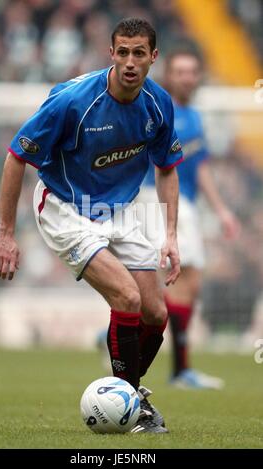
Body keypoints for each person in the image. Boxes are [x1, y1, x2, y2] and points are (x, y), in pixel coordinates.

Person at [0, 18, 183, 434]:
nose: (130, 62)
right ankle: (132, 407)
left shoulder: (159, 103)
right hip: (67, 207)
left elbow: (167, 168)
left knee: (155, 312)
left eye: (139, 53)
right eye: (123, 52)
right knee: (127, 298)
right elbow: (15, 156)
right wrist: (6, 233)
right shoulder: (74, 101)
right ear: (111, 53)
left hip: (123, 208)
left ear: (153, 57)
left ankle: (127, 387)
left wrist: (170, 235)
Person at [141, 48, 240, 389]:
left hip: (189, 204)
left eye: (192, 71)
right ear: (168, 75)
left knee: (183, 283)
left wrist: (222, 209)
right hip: (165, 201)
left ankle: (124, 329)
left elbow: (201, 170)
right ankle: (180, 370)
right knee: (186, 277)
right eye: (180, 71)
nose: (187, 77)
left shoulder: (195, 117)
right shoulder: (160, 110)